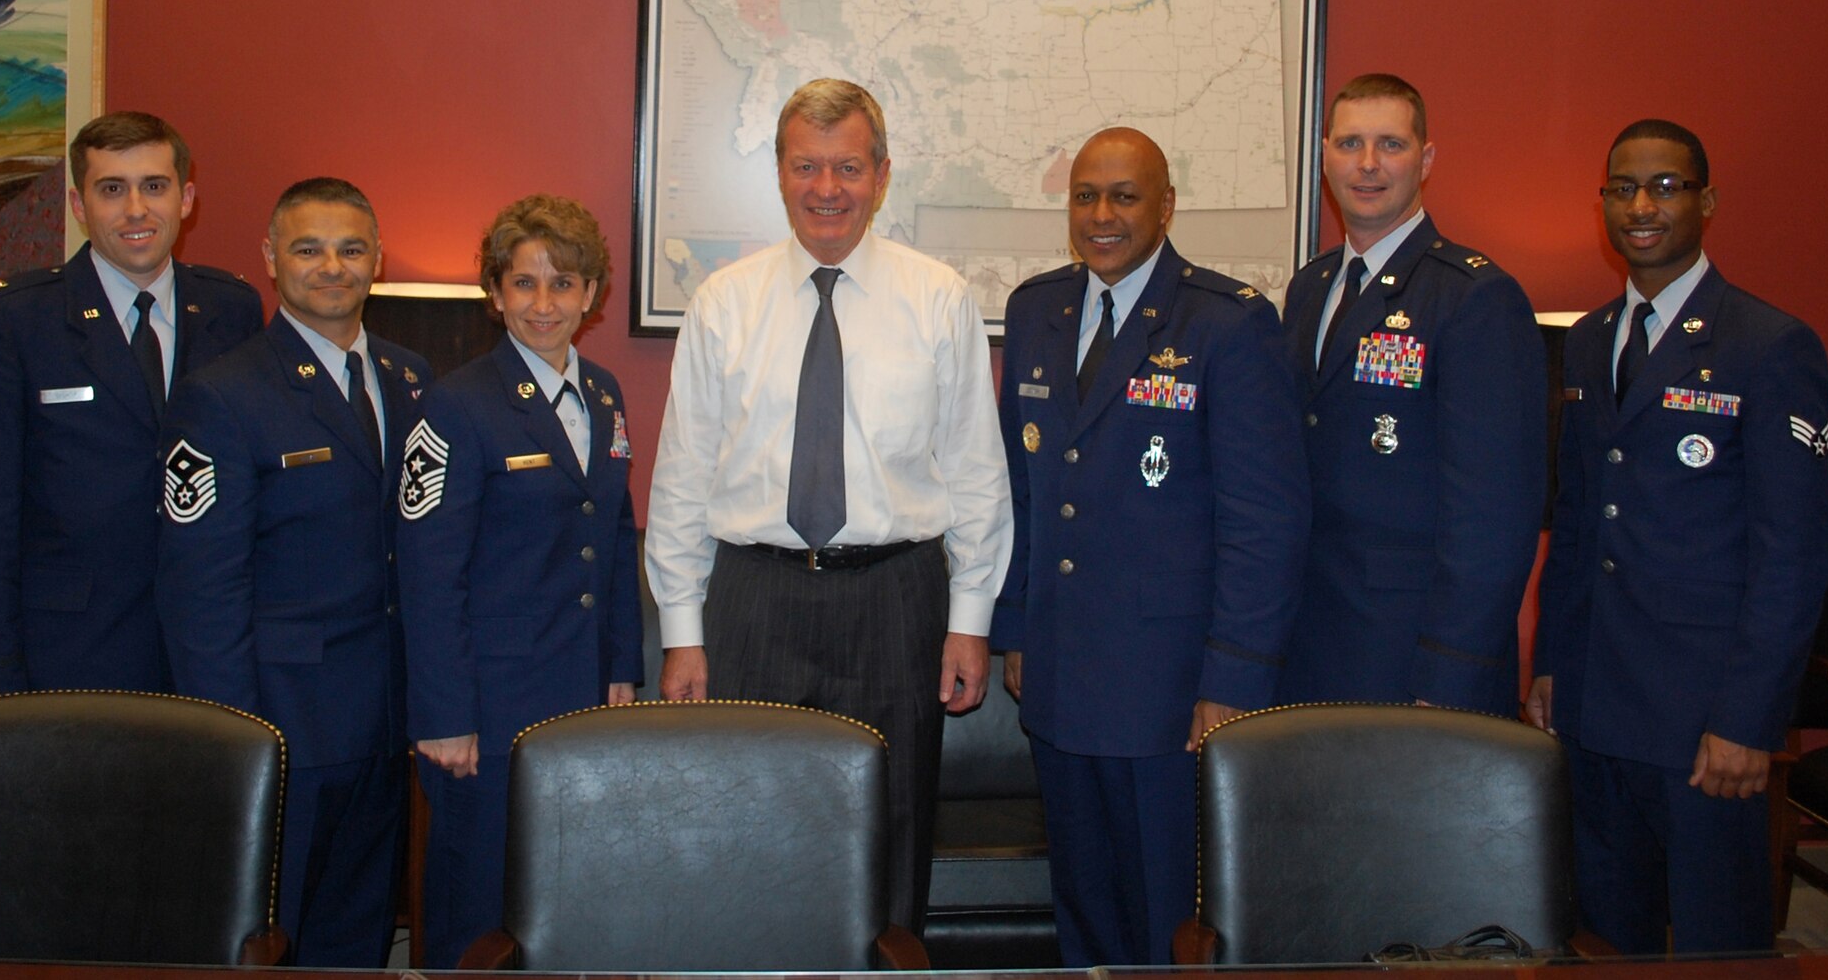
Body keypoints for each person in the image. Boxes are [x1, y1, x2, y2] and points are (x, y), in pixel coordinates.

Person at [646, 78, 1012, 929]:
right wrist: (681, 631)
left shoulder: (939, 298)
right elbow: (682, 477)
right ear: (778, 172)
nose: (827, 188)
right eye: (807, 166)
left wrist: (969, 617)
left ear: (882, 175)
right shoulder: (723, 303)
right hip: (752, 598)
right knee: (747, 827)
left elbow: (975, 472)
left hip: (896, 597)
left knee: (894, 828)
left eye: (848, 166)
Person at [991, 127, 1309, 965]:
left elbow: (1265, 521)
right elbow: (1022, 491)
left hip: (1171, 692)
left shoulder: (1228, 325)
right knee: (1084, 909)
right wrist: (1017, 625)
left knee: (1169, 917)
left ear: (1165, 206)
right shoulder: (1036, 309)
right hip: (1059, 675)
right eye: (1085, 196)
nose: (1101, 214)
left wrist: (1234, 676)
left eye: (1124, 196)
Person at [1528, 120, 1828, 954]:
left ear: (1707, 201)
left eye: (1664, 185)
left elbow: (1793, 555)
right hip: (1597, 701)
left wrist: (1748, 719)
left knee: (1717, 945)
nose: (1641, 205)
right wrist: (1553, 661)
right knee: (1607, 935)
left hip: (1703, 721)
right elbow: (1581, 517)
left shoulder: (1770, 346)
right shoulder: (1590, 339)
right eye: (1622, 187)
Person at [155, 177, 431, 968]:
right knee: (265, 941)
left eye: (350, 248)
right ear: (270, 258)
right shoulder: (222, 394)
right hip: (283, 728)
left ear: (376, 259)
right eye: (308, 248)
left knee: (359, 934)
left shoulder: (410, 378)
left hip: (383, 723)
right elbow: (200, 589)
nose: (332, 266)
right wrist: (234, 741)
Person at [0, 111, 263, 701]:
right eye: (112, 189)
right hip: (64, 660)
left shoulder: (231, 310)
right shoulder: (13, 321)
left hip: (207, 658)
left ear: (186, 198)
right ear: (79, 204)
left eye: (154, 186)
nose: (136, 209)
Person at [397, 195, 643, 966]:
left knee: (566, 900)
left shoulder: (603, 395)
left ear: (592, 295)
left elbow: (613, 541)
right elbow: (428, 571)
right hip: (487, 714)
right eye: (525, 283)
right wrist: (443, 714)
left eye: (563, 283)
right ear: (495, 293)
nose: (545, 303)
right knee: (475, 911)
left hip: (578, 700)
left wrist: (622, 671)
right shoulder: (455, 403)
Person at [1275, 73, 1544, 715]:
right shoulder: (1310, 289)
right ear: (1325, 155)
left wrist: (1450, 676)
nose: (1367, 165)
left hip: (1412, 659)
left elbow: (1495, 513)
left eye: (1390, 145)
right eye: (1349, 144)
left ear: (1425, 160)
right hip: (1308, 642)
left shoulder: (1475, 298)